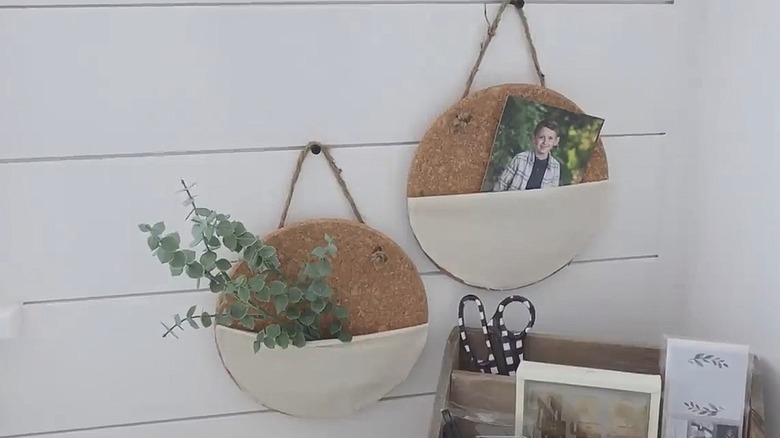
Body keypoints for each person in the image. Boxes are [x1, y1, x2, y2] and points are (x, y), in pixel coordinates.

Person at [492, 119, 562, 191]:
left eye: (550, 138)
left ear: (556, 141)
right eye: (541, 137)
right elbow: (501, 184)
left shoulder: (555, 166)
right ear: (534, 138)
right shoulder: (520, 159)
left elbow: (552, 193)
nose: (545, 142)